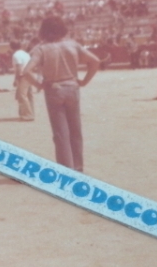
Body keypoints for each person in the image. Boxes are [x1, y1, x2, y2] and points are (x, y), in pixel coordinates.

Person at [22, 16, 100, 171]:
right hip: (72, 88)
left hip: (54, 89)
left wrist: (39, 84)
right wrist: (84, 81)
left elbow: (27, 71)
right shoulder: (73, 45)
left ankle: (66, 170)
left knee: (61, 135)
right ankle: (78, 168)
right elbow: (95, 61)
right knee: (75, 131)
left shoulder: (41, 49)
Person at [11, 40, 35, 121]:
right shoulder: (26, 54)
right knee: (29, 95)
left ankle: (28, 114)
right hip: (30, 74)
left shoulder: (16, 55)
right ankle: (31, 112)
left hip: (23, 76)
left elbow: (19, 68)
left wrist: (16, 79)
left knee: (22, 95)